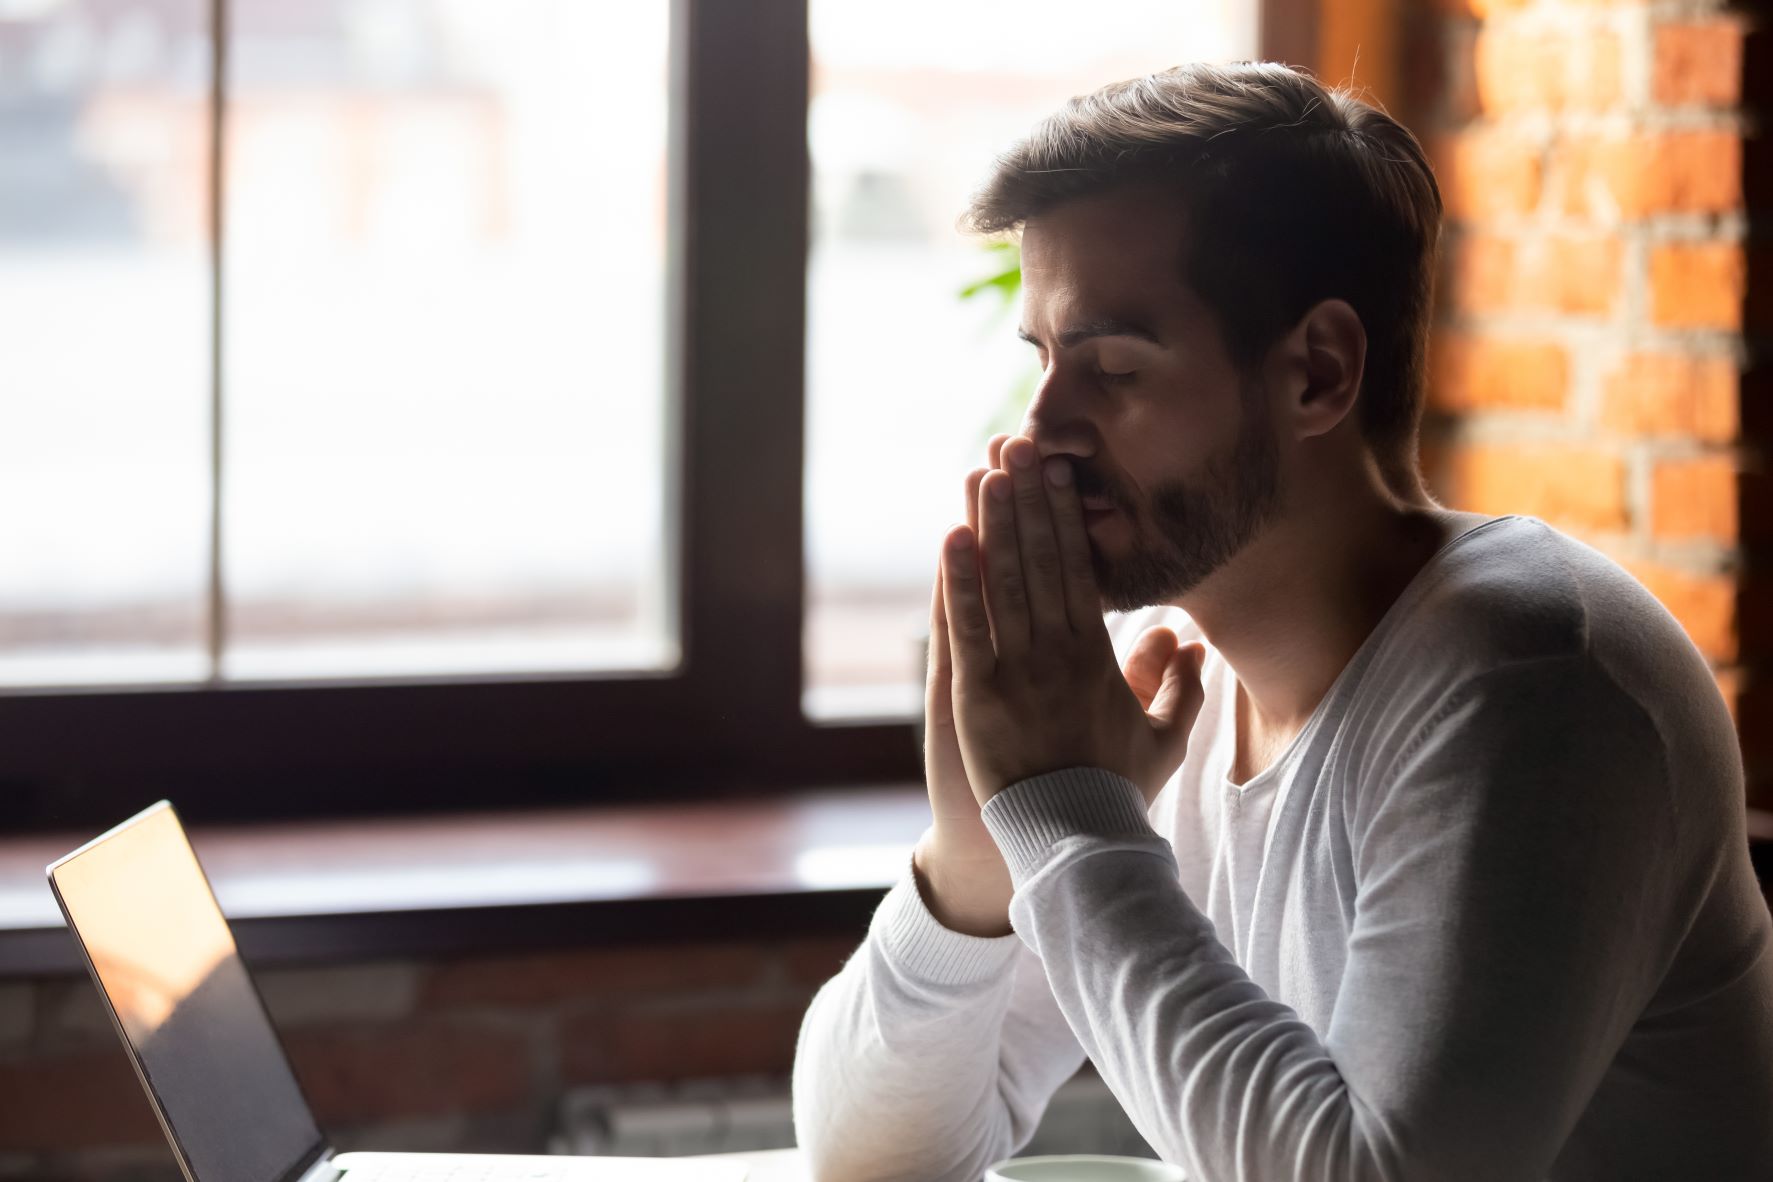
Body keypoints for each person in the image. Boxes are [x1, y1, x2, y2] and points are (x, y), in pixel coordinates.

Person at [789, 61, 1773, 1182]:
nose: (1039, 429)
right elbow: (872, 1159)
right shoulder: (1172, 690)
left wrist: (1070, 822)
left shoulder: (1538, 681)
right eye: (1044, 361)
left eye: (1112, 367)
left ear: (1317, 371)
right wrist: (977, 856)